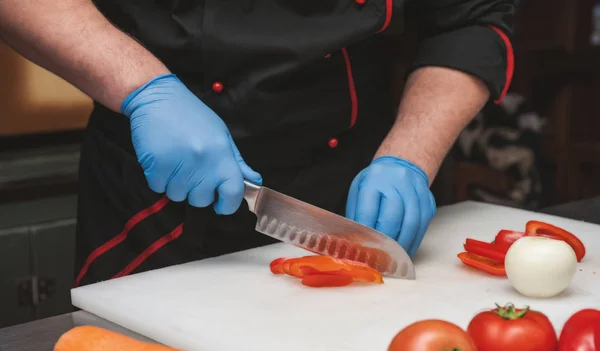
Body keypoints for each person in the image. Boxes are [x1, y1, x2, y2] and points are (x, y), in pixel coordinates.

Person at [0, 0, 515, 287]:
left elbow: (471, 19)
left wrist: (409, 157)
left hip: (354, 195)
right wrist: (144, 91)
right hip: (155, 199)